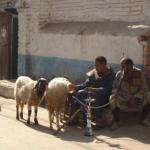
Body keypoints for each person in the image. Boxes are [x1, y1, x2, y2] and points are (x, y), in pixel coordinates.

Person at [69, 56, 115, 128]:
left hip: (103, 97)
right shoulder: (94, 73)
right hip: (91, 93)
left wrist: (92, 89)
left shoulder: (111, 75)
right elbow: (86, 85)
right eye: (95, 65)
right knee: (76, 94)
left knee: (93, 98)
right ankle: (78, 118)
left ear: (103, 64)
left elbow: (107, 90)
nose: (95, 67)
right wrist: (75, 87)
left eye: (97, 65)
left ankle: (99, 120)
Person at [110, 57, 150, 129]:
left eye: (123, 66)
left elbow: (145, 88)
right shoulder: (119, 74)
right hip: (124, 98)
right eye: (120, 66)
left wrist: (136, 97)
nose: (121, 68)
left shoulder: (139, 73)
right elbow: (114, 87)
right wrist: (115, 93)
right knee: (112, 98)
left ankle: (144, 119)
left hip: (137, 99)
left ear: (130, 66)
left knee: (148, 95)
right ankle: (116, 121)